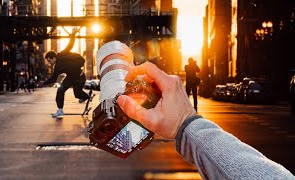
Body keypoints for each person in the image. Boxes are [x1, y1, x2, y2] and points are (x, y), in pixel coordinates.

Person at [117, 62, 294, 179]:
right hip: (190, 120)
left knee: (192, 95)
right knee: (192, 95)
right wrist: (185, 122)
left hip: (190, 121)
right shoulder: (190, 67)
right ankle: (190, 107)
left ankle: (190, 107)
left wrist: (185, 122)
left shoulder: (188, 67)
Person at [43, 28, 89, 118]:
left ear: (53, 57)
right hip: (70, 77)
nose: (49, 63)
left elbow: (70, 45)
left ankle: (86, 96)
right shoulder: (57, 67)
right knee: (60, 90)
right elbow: (53, 78)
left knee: (77, 94)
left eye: (49, 60)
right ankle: (60, 110)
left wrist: (73, 34)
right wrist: (44, 83)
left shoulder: (63, 53)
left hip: (79, 77)